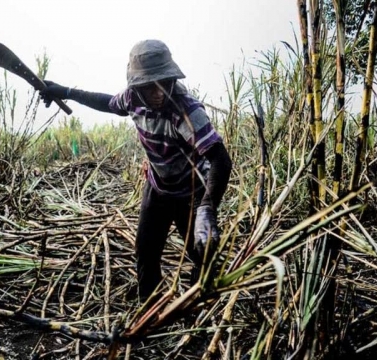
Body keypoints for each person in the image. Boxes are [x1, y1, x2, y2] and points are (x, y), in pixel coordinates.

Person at [39, 39, 232, 302]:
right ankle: (149, 307)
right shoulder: (132, 99)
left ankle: (199, 302)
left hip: (191, 192)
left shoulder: (186, 111)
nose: (159, 92)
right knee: (146, 251)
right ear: (136, 86)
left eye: (164, 82)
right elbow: (106, 102)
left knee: (202, 253)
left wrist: (207, 209)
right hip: (158, 188)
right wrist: (65, 91)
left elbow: (220, 158)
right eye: (149, 86)